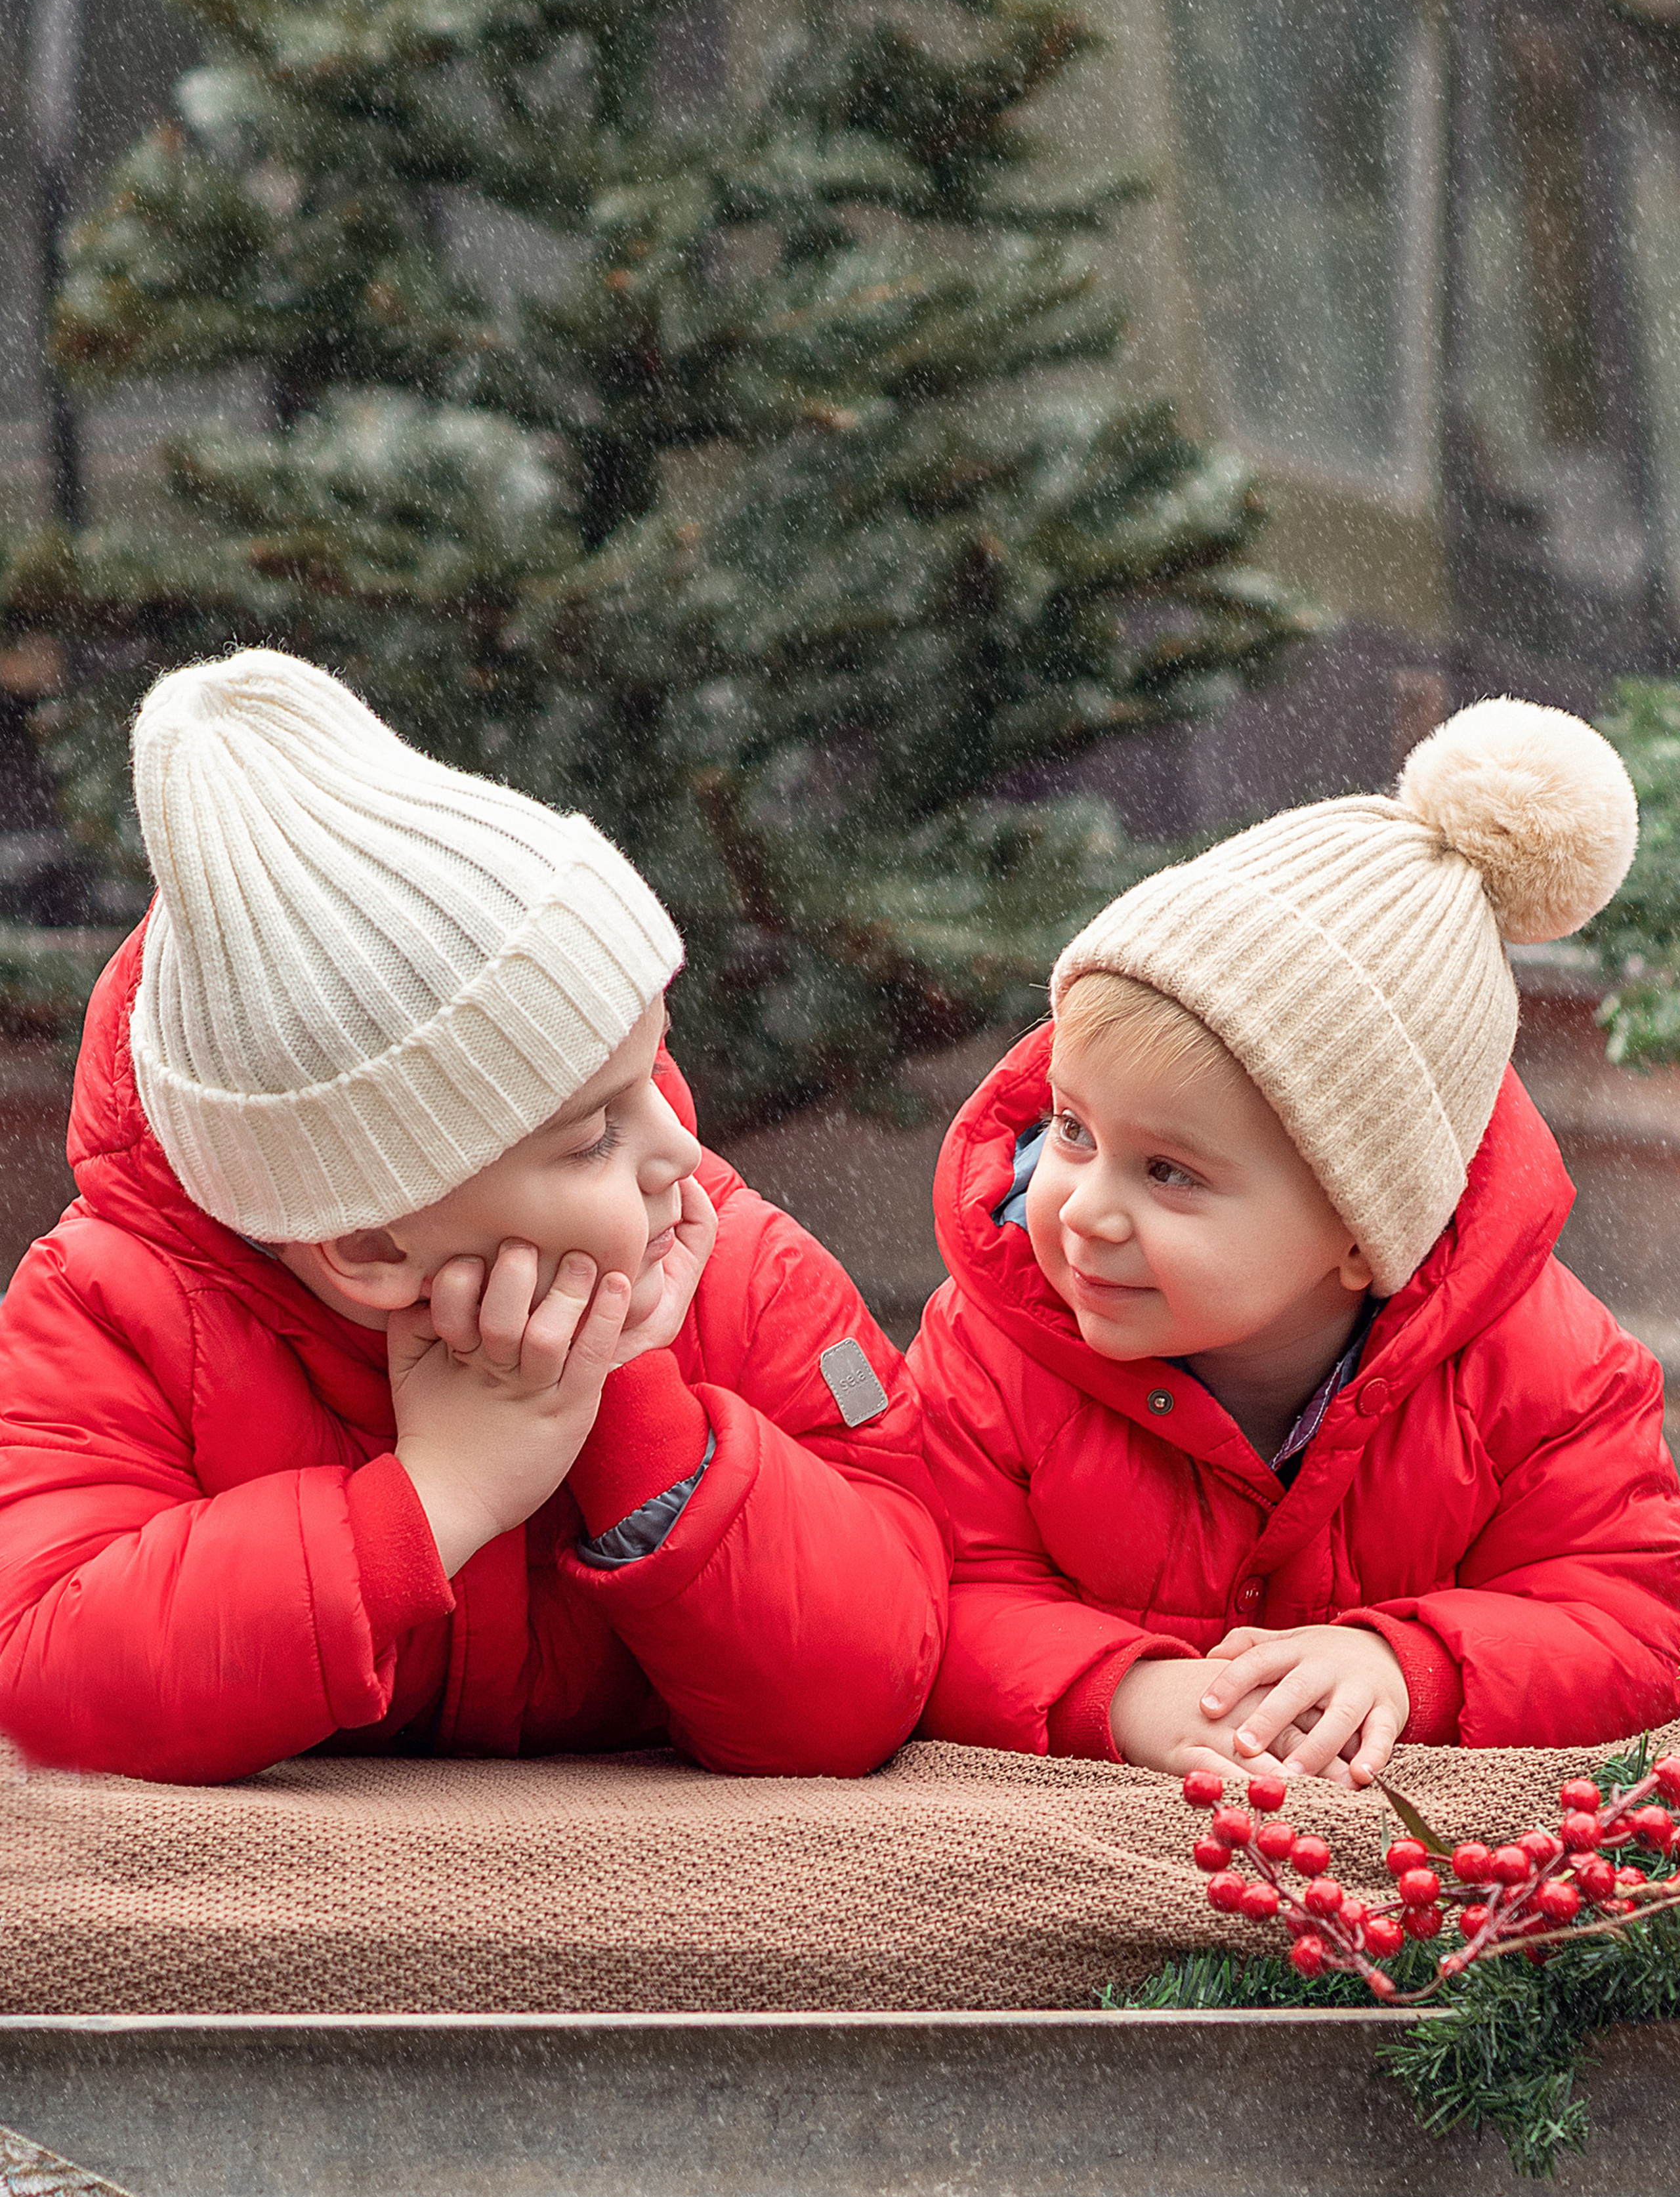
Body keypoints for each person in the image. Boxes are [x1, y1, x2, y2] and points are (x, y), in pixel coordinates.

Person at [0, 650, 946, 1784]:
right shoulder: (115, 1312)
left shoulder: (729, 1266)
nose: (681, 1150)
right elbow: (52, 1680)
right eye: (596, 1131)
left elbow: (870, 1691)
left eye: (653, 1068)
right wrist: (434, 1498)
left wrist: (632, 1402)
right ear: (367, 1241)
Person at [910, 698, 1680, 1783]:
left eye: (1169, 1171)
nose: (1081, 1207)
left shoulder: (1548, 1376)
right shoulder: (994, 1345)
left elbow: (1634, 1621)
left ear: (1367, 1232)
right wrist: (1120, 1692)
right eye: (1072, 1129)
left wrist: (1409, 1664)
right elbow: (929, 1597)